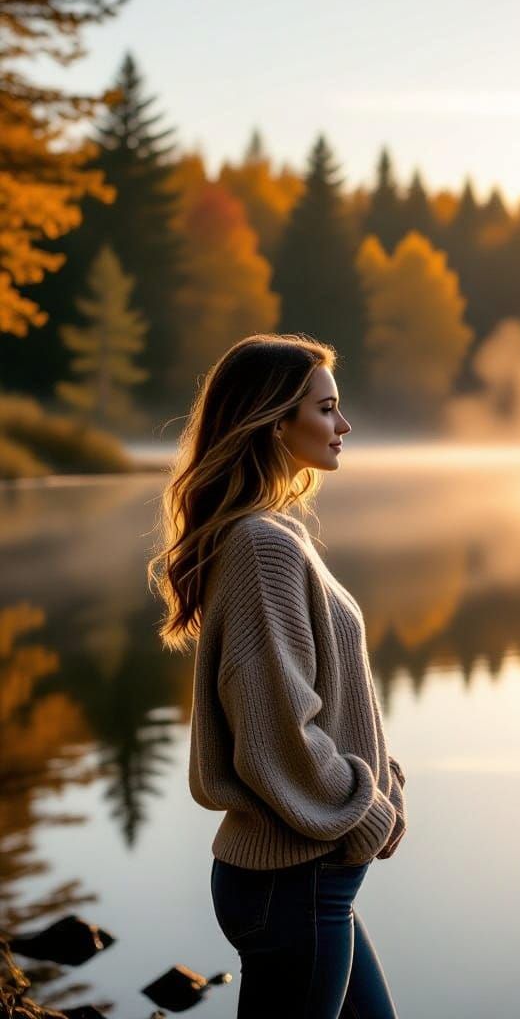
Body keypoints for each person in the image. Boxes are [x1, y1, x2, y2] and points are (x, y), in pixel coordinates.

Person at [147, 333, 406, 1018]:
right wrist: (367, 806)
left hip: (308, 880)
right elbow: (275, 733)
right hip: (294, 882)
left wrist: (385, 774)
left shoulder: (273, 533)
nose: (343, 426)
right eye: (326, 409)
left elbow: (320, 700)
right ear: (274, 420)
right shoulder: (262, 546)